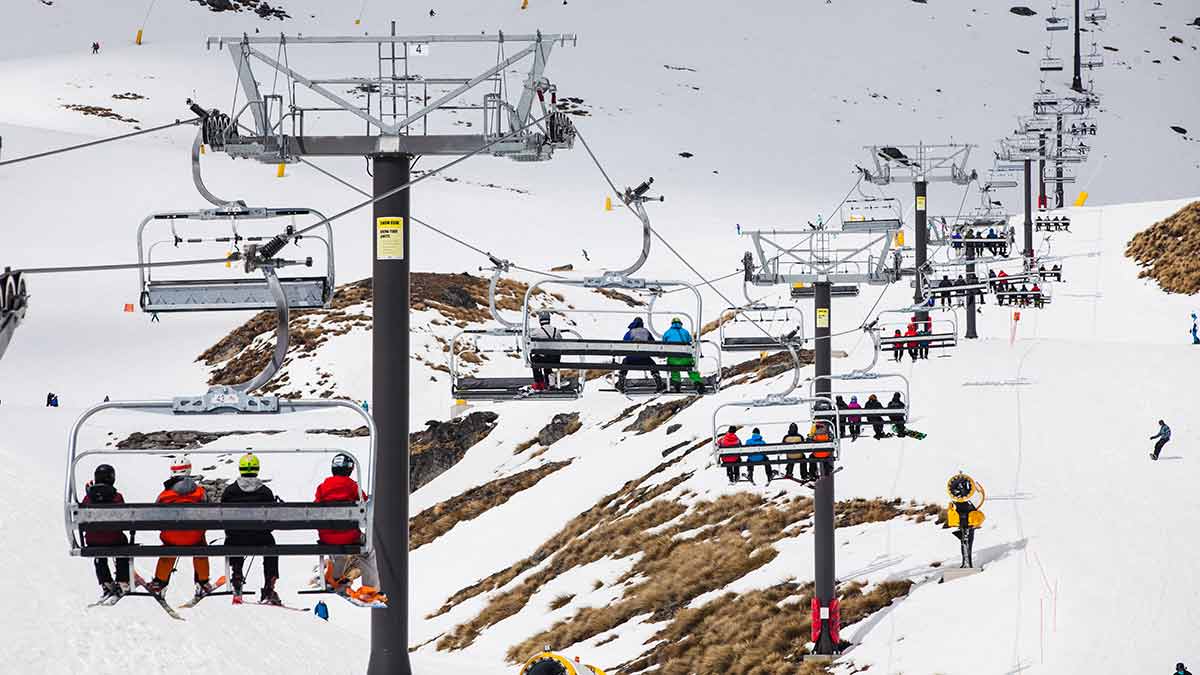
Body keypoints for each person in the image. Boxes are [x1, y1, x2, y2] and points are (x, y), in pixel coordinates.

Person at [316, 453, 386, 604]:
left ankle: (335, 579)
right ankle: (370, 590)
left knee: (337, 549)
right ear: (350, 469)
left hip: (327, 537)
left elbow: (316, 509)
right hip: (349, 535)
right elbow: (364, 502)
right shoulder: (353, 486)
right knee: (367, 552)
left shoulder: (322, 487)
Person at [145, 457, 213, 598]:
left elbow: (154, 517)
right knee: (201, 543)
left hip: (171, 538)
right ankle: (203, 581)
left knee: (169, 545)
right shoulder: (200, 492)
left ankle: (159, 582)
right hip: (194, 538)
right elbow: (209, 514)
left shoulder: (165, 495)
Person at [221, 453, 280, 605]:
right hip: (261, 538)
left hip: (235, 538)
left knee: (234, 539)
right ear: (257, 469)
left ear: (240, 469)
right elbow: (272, 522)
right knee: (271, 545)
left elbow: (223, 519)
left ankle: (237, 577)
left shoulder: (230, 491)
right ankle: (269, 587)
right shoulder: (265, 492)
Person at [82, 464, 131, 598]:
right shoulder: (117, 497)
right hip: (114, 539)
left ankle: (106, 581)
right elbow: (124, 520)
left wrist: (88, 493)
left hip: (92, 541)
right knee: (123, 546)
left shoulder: (88, 498)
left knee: (99, 550)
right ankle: (122, 580)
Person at [618, 317, 664, 393]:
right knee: (652, 364)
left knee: (624, 362)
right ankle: (658, 382)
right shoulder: (646, 332)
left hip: (631, 359)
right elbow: (653, 343)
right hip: (644, 359)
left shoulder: (630, 332)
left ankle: (621, 382)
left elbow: (624, 343)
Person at [662, 317, 705, 394]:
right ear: (680, 324)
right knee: (691, 368)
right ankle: (697, 382)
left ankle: (677, 384)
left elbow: (664, 344)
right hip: (686, 358)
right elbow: (690, 341)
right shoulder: (685, 332)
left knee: (674, 368)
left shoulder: (667, 333)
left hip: (673, 359)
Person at [528, 311, 561, 391]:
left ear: (540, 321)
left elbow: (529, 339)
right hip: (555, 360)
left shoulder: (537, 331)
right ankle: (550, 382)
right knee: (548, 357)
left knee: (535, 359)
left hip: (544, 359)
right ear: (549, 320)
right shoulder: (556, 331)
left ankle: (539, 383)